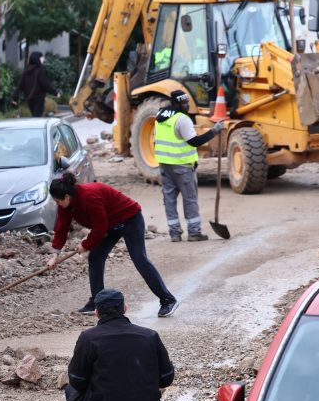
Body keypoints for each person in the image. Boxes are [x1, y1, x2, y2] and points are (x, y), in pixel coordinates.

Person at [63, 288, 175, 401]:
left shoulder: (89, 338)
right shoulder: (150, 336)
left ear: (97, 313)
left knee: (71, 391)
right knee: (125, 394)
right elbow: (166, 378)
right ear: (125, 308)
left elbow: (77, 380)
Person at [46, 172, 179, 318]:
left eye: (58, 201)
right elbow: (62, 227)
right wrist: (55, 254)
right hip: (111, 225)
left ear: (67, 196)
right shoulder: (65, 205)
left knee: (139, 259)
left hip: (130, 219)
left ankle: (167, 300)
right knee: (95, 257)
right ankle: (97, 302)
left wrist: (86, 244)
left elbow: (100, 226)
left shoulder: (89, 196)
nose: (57, 204)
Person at [155, 89, 224, 242]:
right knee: (190, 199)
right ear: (176, 104)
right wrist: (214, 131)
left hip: (165, 165)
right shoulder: (182, 119)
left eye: (187, 102)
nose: (187, 105)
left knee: (169, 199)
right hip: (183, 166)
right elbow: (194, 141)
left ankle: (174, 233)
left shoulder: (161, 115)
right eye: (184, 103)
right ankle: (194, 232)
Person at [14, 52, 59, 117]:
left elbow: (20, 85)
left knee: (35, 116)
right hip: (39, 98)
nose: (43, 59)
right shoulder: (39, 71)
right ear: (37, 59)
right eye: (41, 57)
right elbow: (46, 85)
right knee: (37, 117)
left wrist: (15, 98)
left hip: (29, 98)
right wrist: (55, 92)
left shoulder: (26, 71)